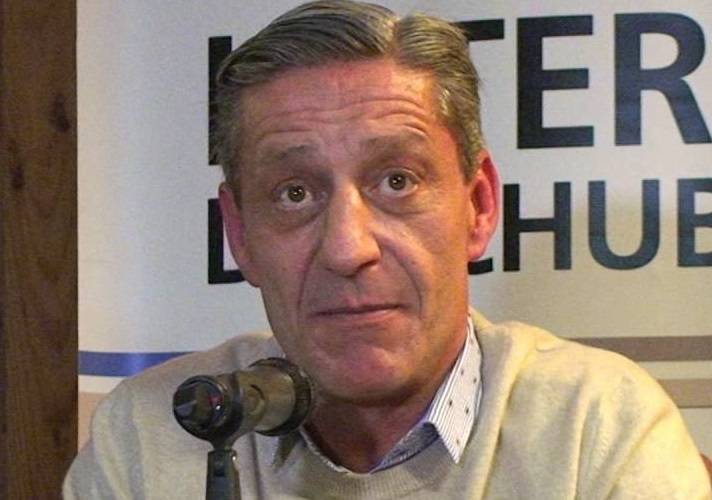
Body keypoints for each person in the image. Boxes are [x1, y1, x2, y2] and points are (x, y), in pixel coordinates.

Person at [64, 1, 711, 498]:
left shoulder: (597, 428)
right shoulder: (154, 436)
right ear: (239, 235)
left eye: (397, 181)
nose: (347, 249)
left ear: (479, 206)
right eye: (294, 193)